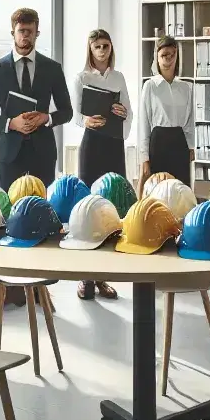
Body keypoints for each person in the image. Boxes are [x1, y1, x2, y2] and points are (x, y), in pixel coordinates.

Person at [0, 7, 73, 301]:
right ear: (13, 32)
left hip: (42, 149)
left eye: (30, 31)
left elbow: (66, 110)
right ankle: (9, 287)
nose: (25, 36)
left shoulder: (52, 68)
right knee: (8, 217)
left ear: (37, 32)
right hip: (10, 150)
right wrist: (9, 123)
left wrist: (46, 118)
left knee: (42, 215)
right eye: (21, 31)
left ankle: (41, 288)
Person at [73, 28, 130, 300]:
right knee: (88, 209)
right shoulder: (82, 77)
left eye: (106, 46)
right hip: (92, 144)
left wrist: (122, 112)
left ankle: (104, 278)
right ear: (90, 49)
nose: (102, 51)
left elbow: (127, 110)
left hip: (113, 144)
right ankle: (86, 279)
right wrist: (84, 120)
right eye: (97, 46)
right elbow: (74, 114)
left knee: (110, 208)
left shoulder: (118, 77)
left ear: (111, 48)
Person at [140, 36, 196, 185]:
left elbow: (190, 120)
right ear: (157, 57)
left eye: (172, 55)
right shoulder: (150, 86)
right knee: (159, 189)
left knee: (181, 188)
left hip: (179, 142)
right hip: (158, 142)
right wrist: (144, 157)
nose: (168, 60)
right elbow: (144, 124)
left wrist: (191, 146)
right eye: (164, 55)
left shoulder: (185, 87)